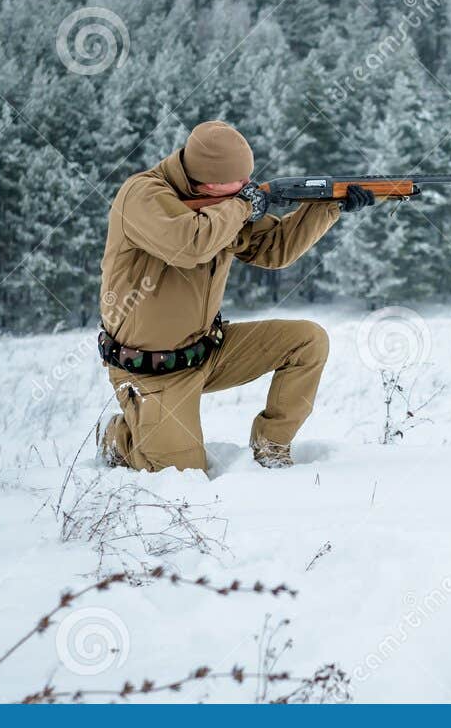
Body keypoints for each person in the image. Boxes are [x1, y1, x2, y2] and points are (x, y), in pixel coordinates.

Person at [95, 120, 375, 472]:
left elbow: (275, 249)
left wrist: (328, 207)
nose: (248, 187)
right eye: (239, 182)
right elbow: (191, 244)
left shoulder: (224, 204)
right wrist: (242, 206)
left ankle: (271, 445)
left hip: (208, 351)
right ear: (208, 182)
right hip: (151, 372)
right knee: (182, 476)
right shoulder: (142, 196)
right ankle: (120, 438)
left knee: (308, 341)